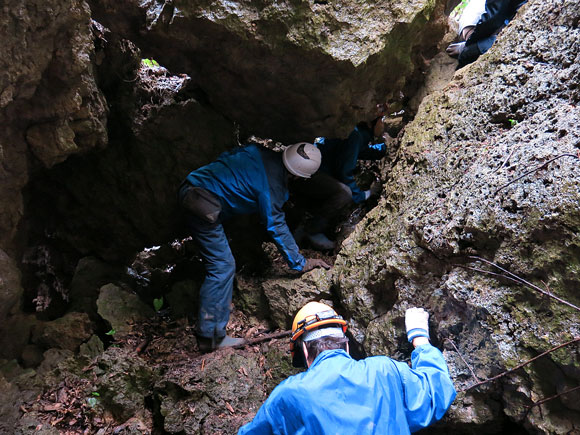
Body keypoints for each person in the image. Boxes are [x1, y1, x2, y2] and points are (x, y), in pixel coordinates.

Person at [179, 143, 331, 352]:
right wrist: (300, 263)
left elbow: (227, 155)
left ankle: (210, 333)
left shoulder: (259, 151)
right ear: (298, 177)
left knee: (222, 260)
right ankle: (209, 338)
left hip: (194, 185)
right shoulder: (273, 185)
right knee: (222, 267)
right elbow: (275, 224)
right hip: (202, 201)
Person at [238, 301, 457, 434]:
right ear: (346, 345)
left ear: (305, 351)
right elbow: (436, 395)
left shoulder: (288, 396)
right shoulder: (385, 371)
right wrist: (420, 338)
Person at [291, 106, 388, 250]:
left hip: (313, 172)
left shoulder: (360, 133)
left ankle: (300, 231)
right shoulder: (356, 135)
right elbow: (344, 171)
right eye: (382, 119)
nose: (384, 124)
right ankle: (312, 231)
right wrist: (364, 195)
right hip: (309, 174)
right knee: (344, 194)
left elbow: (362, 151)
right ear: (372, 122)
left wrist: (385, 148)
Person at [446, 0, 527, 69]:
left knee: (466, 54)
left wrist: (468, 45)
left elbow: (493, 18)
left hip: (518, 36)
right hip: (515, 26)